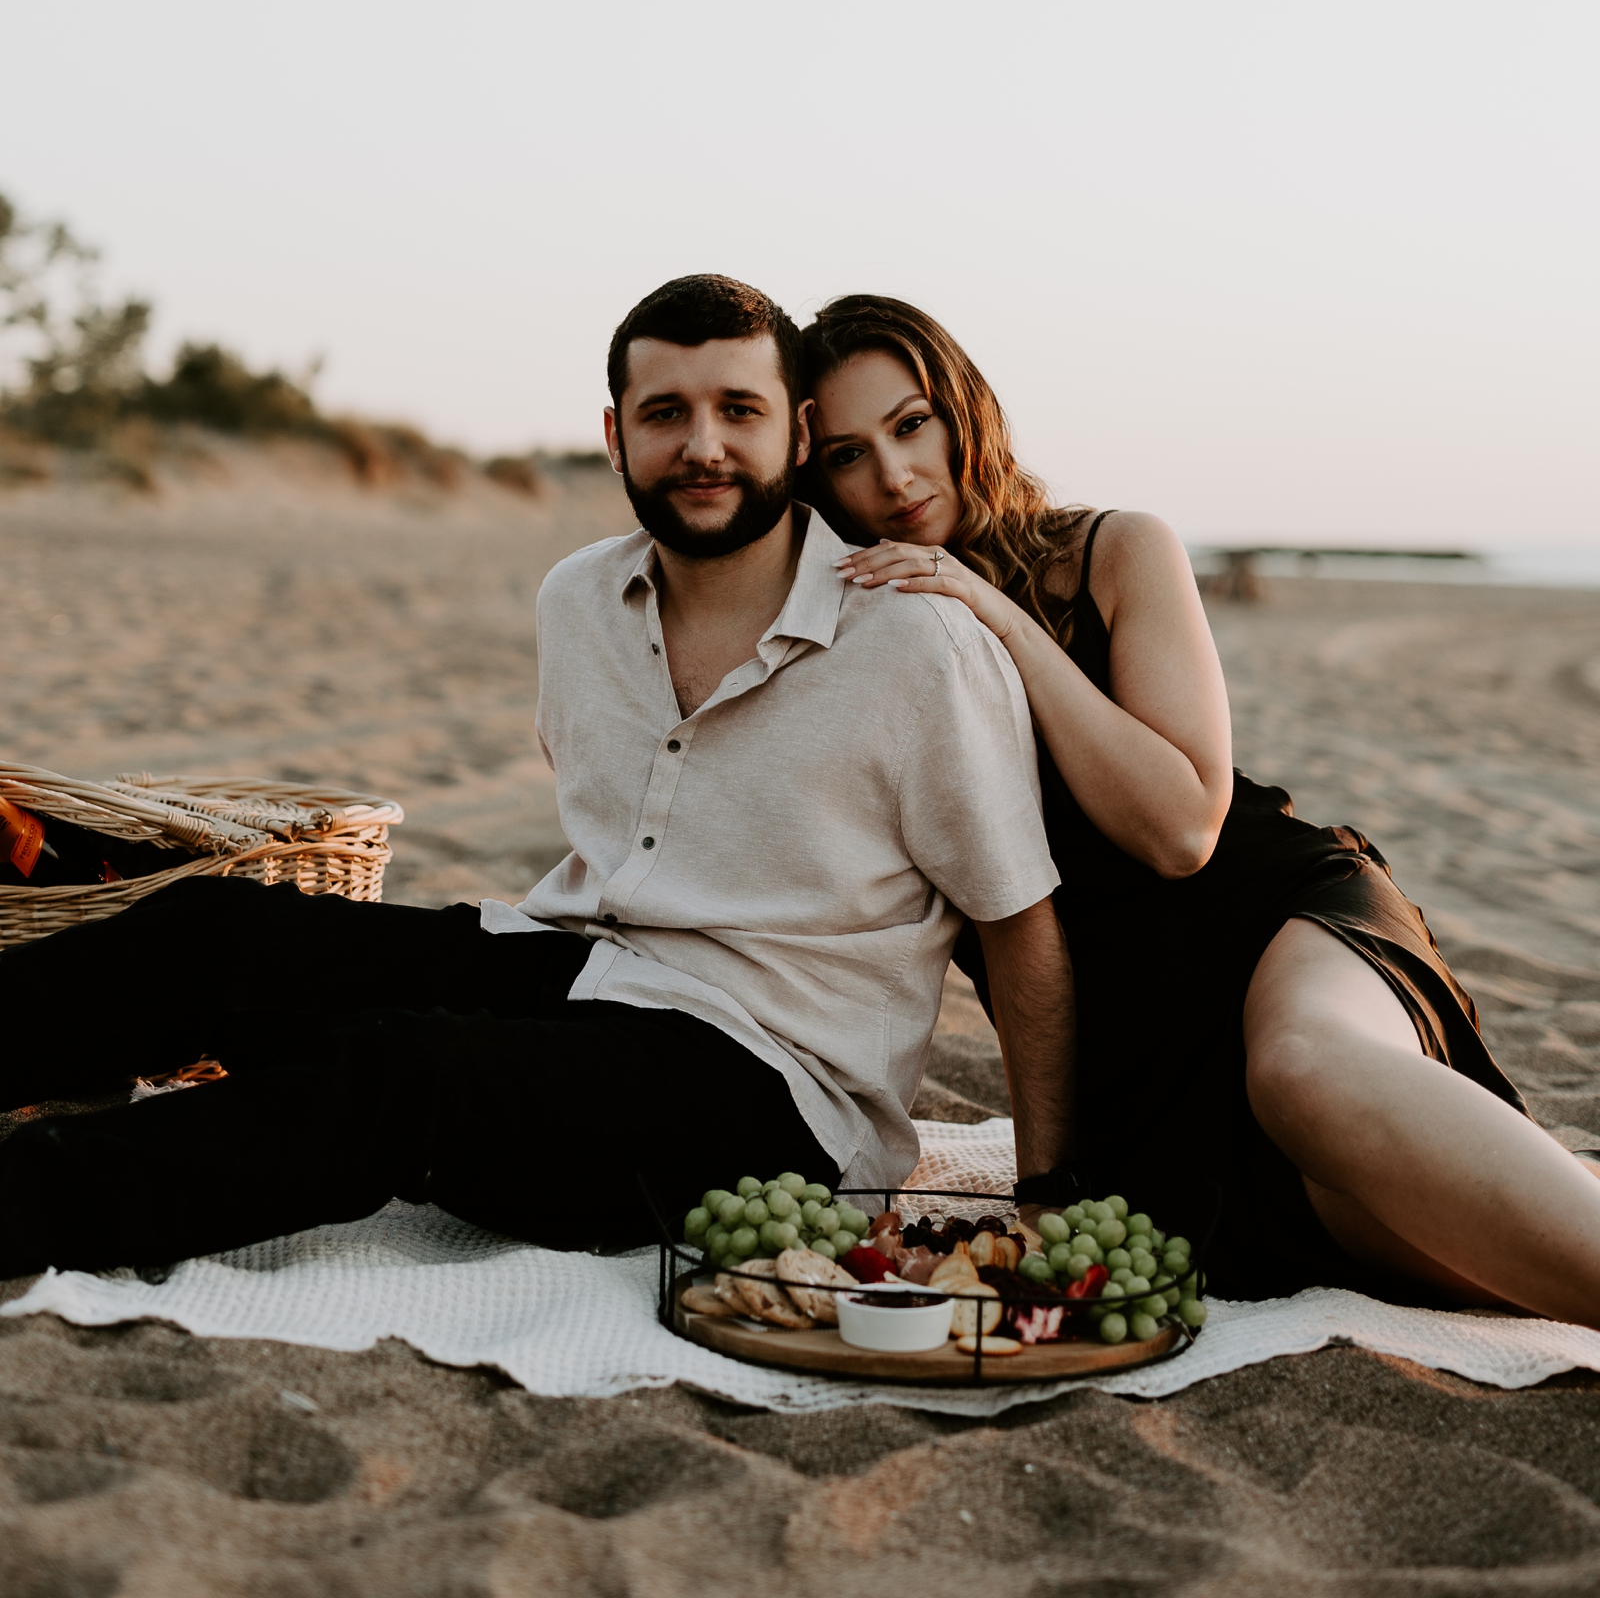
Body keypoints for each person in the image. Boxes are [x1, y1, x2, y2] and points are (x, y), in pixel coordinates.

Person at [0, 274, 1071, 1278]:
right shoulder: (578, 601)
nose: (703, 447)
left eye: (739, 411)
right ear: (614, 436)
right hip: (578, 969)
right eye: (665, 414)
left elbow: (1020, 923)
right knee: (219, 934)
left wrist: (1050, 1190)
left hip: (774, 1090)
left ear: (795, 432)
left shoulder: (917, 646)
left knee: (401, 1076)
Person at [799, 291, 1600, 1325]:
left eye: (911, 425)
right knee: (1482, 1269)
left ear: (963, 411)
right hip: (1137, 1079)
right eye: (848, 456)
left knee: (1305, 1072)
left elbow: (1179, 830)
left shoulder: (1117, 550)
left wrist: (994, 609)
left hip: (1275, 929)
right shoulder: (867, 640)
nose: (895, 476)